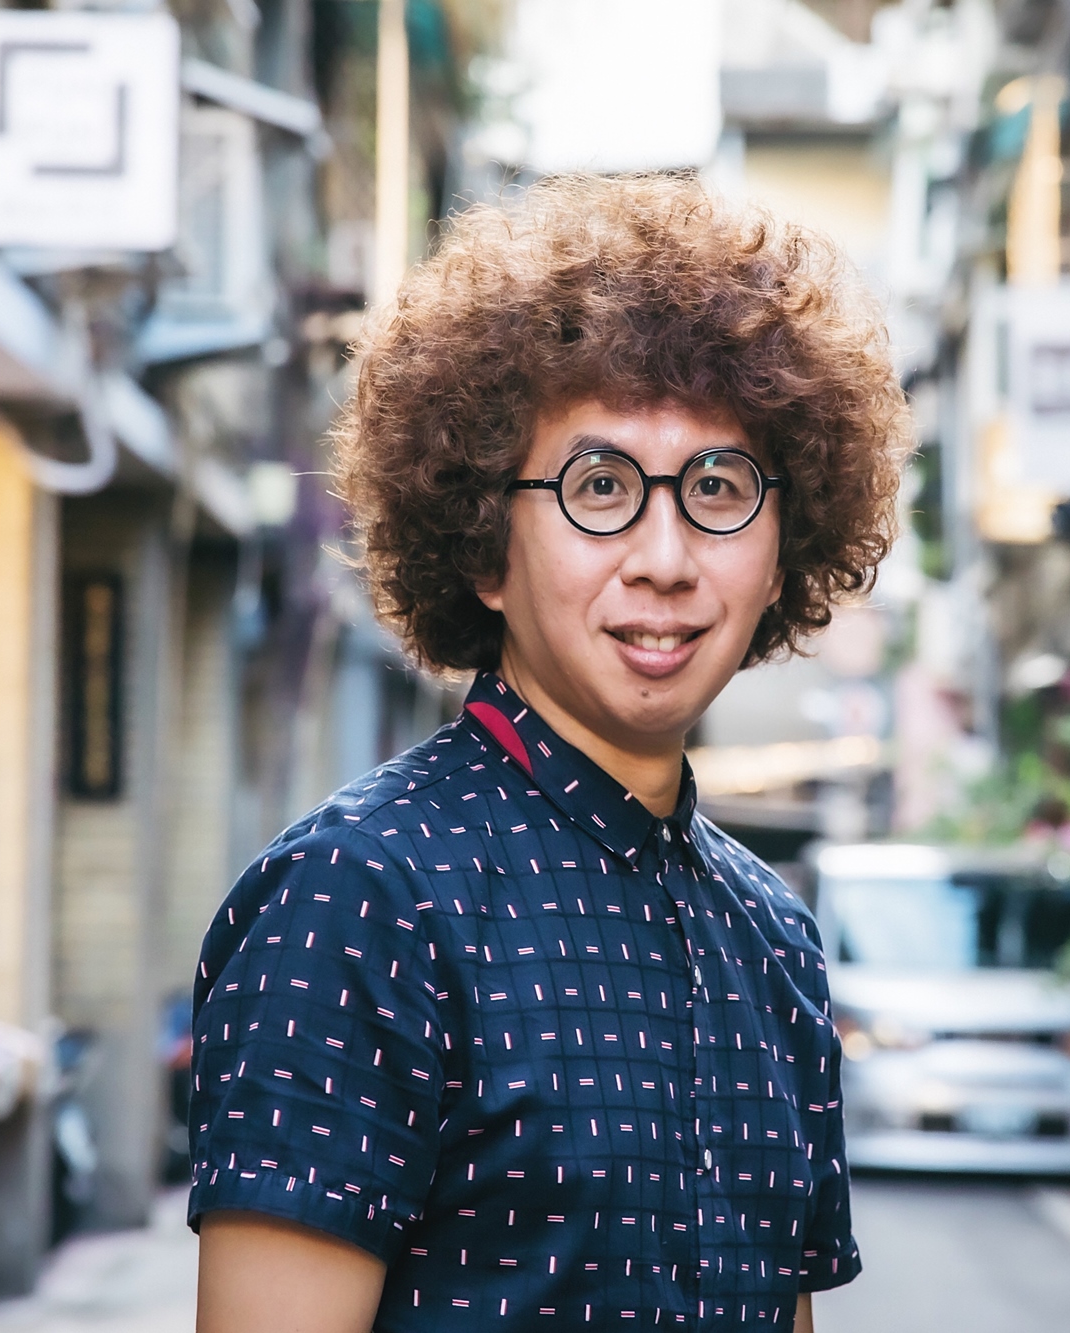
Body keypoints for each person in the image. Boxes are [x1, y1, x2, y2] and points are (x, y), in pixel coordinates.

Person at [188, 174, 908, 1333]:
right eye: (599, 487)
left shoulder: (775, 939)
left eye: (717, 487)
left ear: (781, 550)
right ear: (485, 546)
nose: (665, 558)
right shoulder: (360, 899)